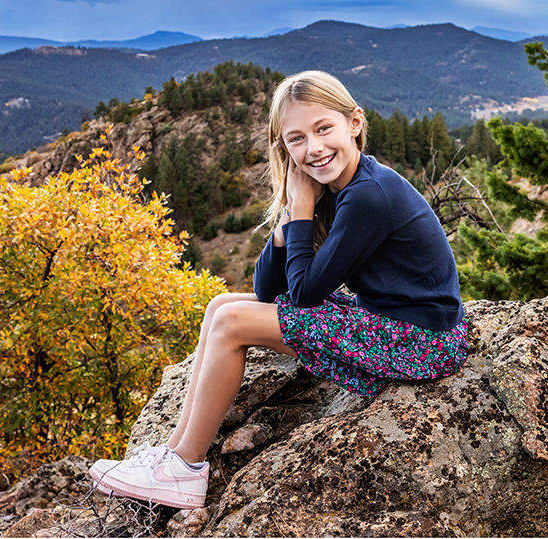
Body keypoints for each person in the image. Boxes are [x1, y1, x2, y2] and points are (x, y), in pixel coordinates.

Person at [89, 70, 468, 509]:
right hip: (390, 323)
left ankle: (187, 468)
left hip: (421, 343)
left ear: (355, 123)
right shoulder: (336, 187)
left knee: (233, 323)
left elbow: (304, 294)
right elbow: (269, 290)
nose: (314, 148)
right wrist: (291, 219)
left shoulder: (369, 195)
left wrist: (302, 208)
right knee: (221, 305)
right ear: (284, 148)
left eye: (323, 129)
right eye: (297, 139)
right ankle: (172, 454)